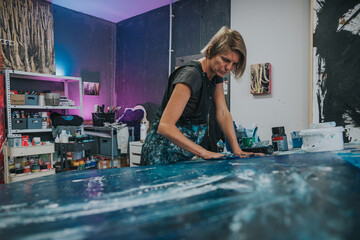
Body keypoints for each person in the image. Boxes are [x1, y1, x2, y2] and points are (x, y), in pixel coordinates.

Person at [140, 26, 262, 165]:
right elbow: (165, 126)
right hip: (159, 154)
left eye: (234, 64)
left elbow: (222, 112)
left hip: (180, 156)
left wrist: (237, 150)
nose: (228, 68)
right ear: (210, 51)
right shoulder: (191, 75)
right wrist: (204, 152)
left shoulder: (216, 76)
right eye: (225, 60)